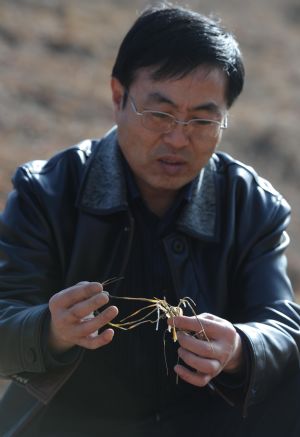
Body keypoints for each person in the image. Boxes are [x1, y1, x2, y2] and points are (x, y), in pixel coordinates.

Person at [0, 4, 299, 437]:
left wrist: (241, 348)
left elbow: (281, 325)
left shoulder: (251, 204)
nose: (178, 138)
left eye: (202, 119)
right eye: (159, 114)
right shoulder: (47, 191)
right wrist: (50, 330)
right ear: (119, 96)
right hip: (71, 421)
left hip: (208, 421)